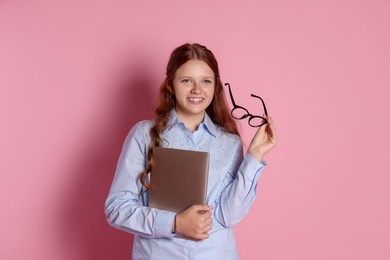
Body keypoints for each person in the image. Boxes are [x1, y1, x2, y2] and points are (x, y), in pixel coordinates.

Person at [105, 43, 277, 259]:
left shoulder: (229, 143)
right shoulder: (143, 135)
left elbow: (228, 215)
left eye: (206, 81)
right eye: (187, 81)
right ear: (171, 85)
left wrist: (255, 155)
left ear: (215, 87)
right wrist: (175, 223)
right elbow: (117, 208)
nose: (197, 90)